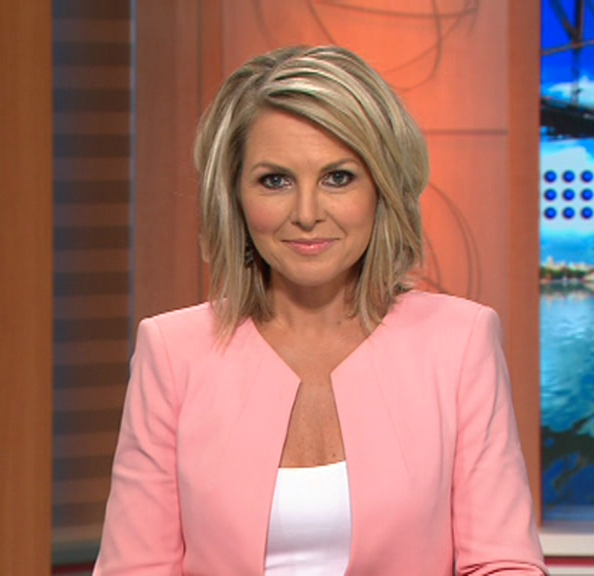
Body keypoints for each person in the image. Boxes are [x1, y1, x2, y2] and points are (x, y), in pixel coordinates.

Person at [93, 45, 546, 575]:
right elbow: (135, 568)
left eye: (338, 178)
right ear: (234, 196)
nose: (307, 213)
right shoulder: (173, 352)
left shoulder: (459, 342)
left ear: (382, 188)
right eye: (275, 181)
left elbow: (503, 562)